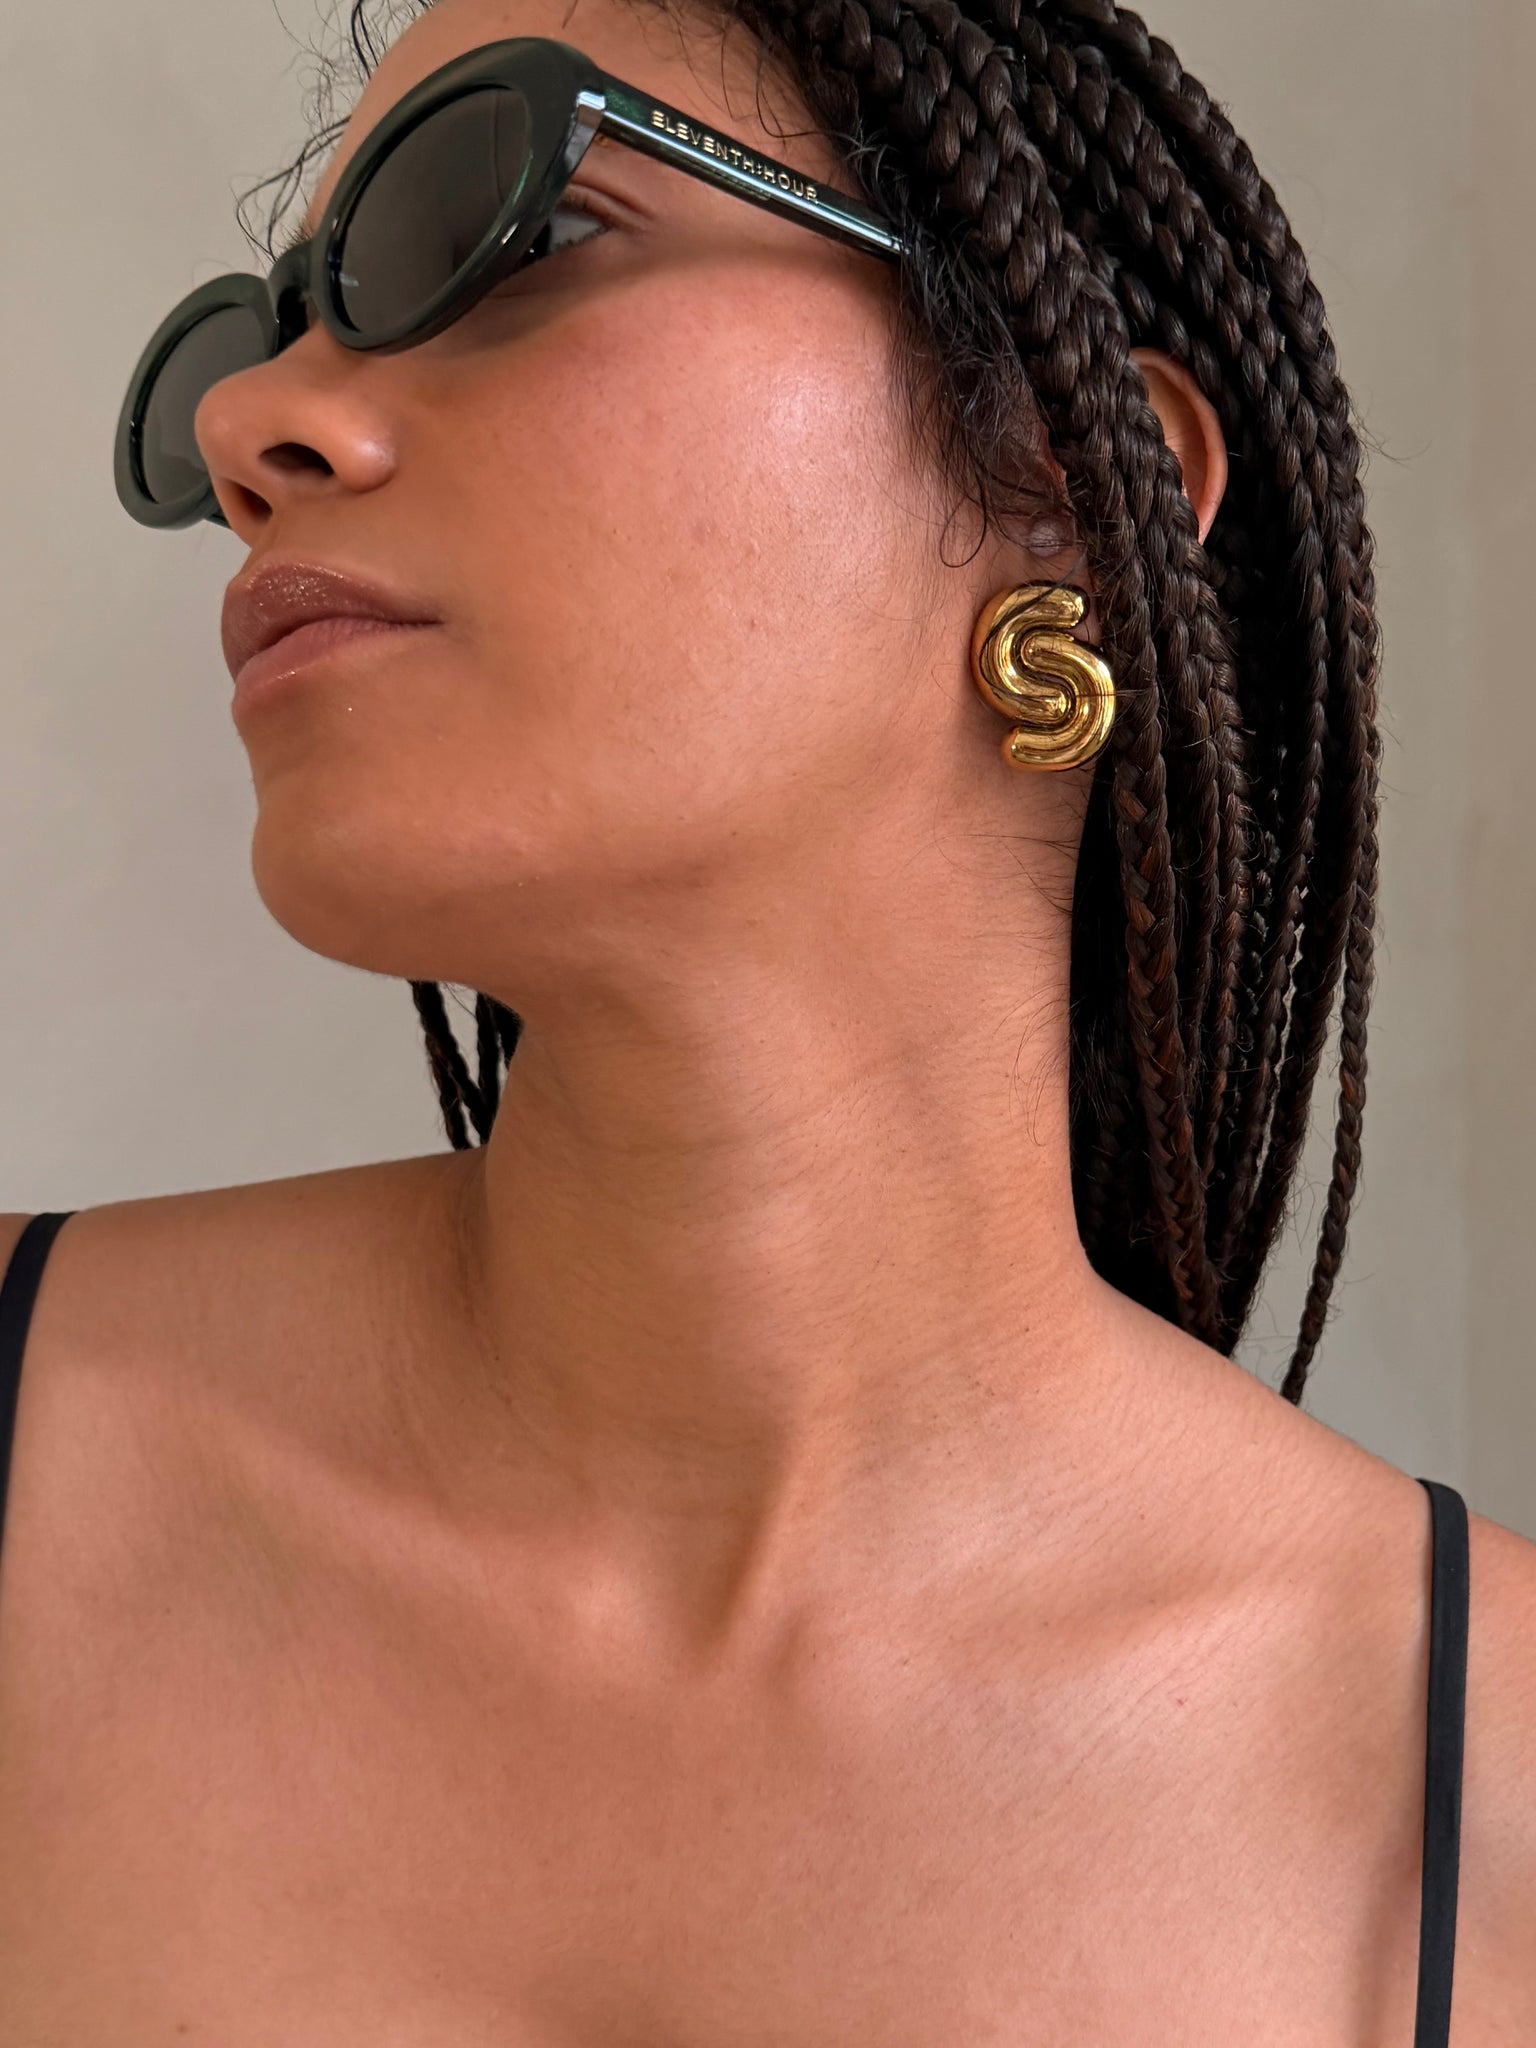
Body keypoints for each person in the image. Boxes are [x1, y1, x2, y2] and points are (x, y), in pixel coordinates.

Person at [1, 0, 1532, 2034]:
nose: (249, 427)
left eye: (514, 229)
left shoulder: (1492, 1818)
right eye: (265, 331)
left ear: (1070, 479)